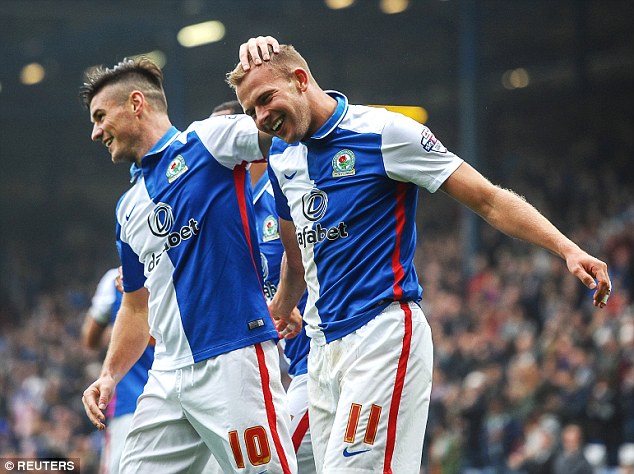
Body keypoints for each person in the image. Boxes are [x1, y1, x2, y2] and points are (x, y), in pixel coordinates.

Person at [226, 36, 612, 473]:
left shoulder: (385, 133)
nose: (260, 117)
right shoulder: (282, 157)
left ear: (300, 80)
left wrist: (565, 247)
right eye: (250, 110)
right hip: (321, 350)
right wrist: (281, 308)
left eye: (265, 99)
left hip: (381, 335)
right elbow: (295, 256)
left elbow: (487, 198)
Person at [79, 55, 300, 473]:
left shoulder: (208, 141)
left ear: (136, 103)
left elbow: (287, 129)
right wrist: (109, 374)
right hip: (166, 375)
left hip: (233, 358)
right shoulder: (128, 208)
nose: (95, 132)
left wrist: (274, 68)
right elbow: (135, 305)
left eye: (100, 116)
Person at [213, 100, 317, 473]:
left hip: (323, 363)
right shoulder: (231, 209)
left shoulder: (287, 183)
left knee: (270, 463)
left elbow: (301, 261)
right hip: (293, 369)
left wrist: (285, 302)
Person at [81, 267, 154, 474]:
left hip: (130, 406)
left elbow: (89, 338)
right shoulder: (183, 264)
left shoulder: (114, 279)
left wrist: (125, 332)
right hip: (177, 397)